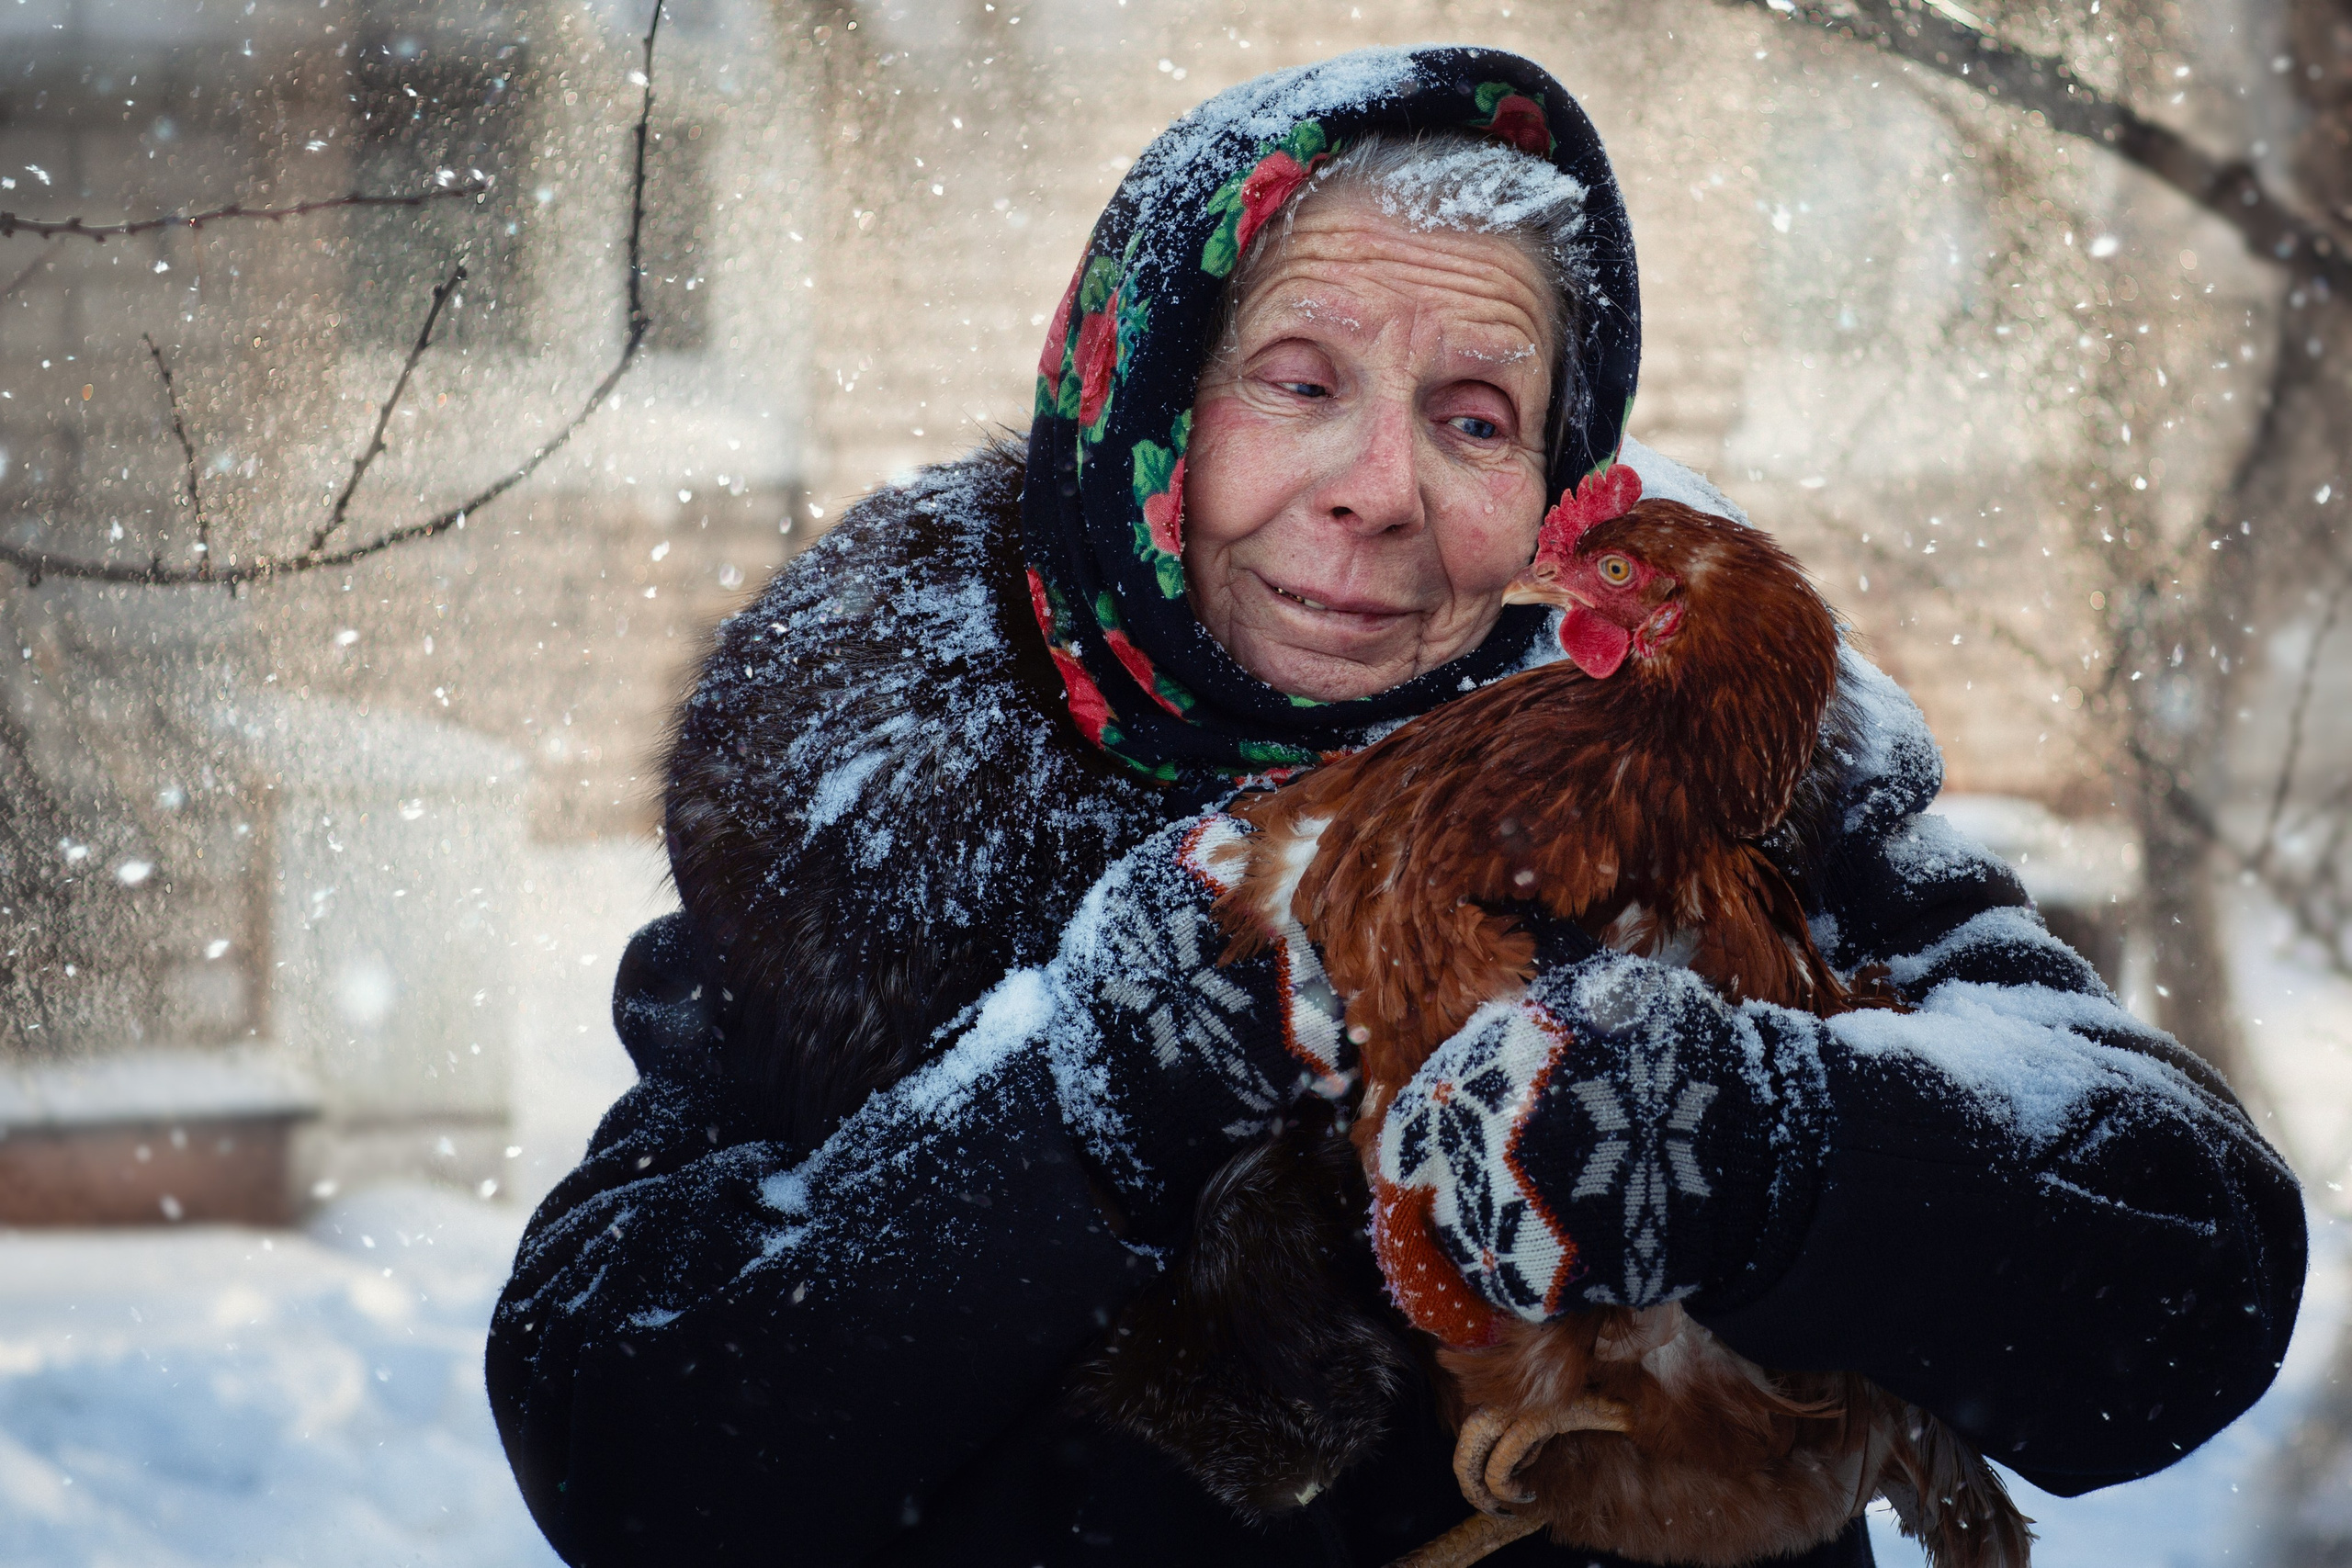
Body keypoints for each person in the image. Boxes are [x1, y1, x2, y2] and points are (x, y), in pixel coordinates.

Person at [487, 47, 2306, 1568]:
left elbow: (2187, 1273)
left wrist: (1782, 1150)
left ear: (1553, 473)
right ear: (1150, 412)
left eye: (1471, 415)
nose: (1376, 489)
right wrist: (1074, 1102)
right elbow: (622, 1436)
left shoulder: (1711, 765)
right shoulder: (879, 783)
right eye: (1298, 383)